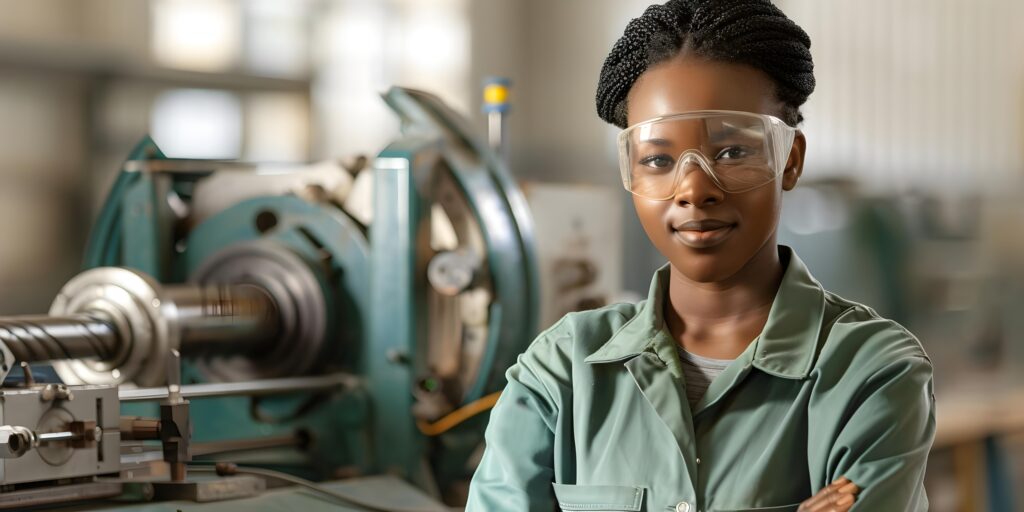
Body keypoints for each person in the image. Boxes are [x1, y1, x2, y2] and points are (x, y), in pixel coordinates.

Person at [466, 1, 935, 510]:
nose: (693, 189)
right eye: (657, 159)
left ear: (790, 160)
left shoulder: (869, 372)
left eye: (732, 152)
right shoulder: (562, 370)